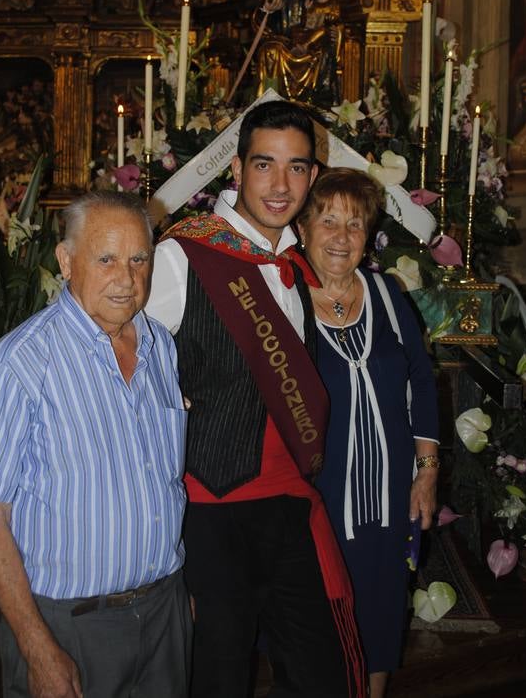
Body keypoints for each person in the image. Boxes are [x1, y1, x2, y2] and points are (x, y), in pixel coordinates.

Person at [146, 101, 366, 698]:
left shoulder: (296, 263)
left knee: (322, 673)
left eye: (296, 168)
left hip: (289, 503)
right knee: (218, 677)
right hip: (208, 509)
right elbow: (114, 358)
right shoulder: (180, 258)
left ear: (312, 177)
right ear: (236, 171)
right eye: (264, 165)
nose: (279, 184)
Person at [0, 191, 191, 698]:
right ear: (66, 260)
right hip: (70, 626)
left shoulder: (160, 346)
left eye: (138, 259)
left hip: (164, 612)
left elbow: (165, 482)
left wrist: (177, 593)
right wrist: (38, 647)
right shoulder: (20, 365)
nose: (126, 278)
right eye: (105, 259)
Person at [296, 167, 439, 698]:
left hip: (389, 496)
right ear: (304, 229)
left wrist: (426, 473)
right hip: (319, 501)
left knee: (380, 614)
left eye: (354, 224)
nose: (340, 236)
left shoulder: (387, 294)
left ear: (369, 236)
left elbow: (421, 382)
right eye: (327, 220)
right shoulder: (284, 304)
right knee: (318, 626)